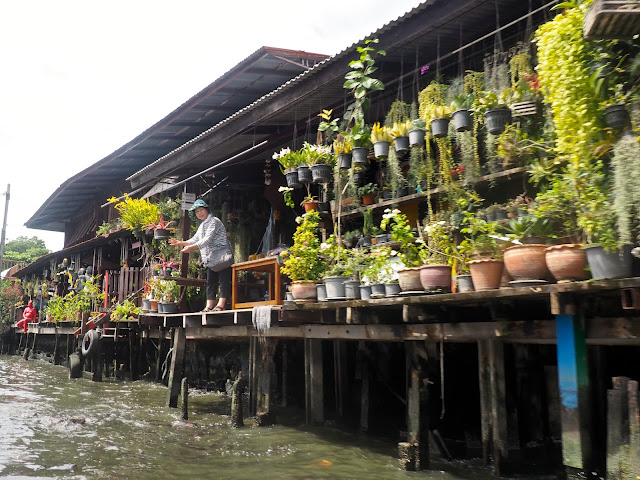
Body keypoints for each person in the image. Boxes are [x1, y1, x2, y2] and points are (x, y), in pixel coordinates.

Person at [169, 199, 232, 312]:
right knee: (211, 282)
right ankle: (209, 306)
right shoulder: (202, 225)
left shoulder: (214, 221)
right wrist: (180, 243)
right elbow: (195, 239)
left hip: (221, 256)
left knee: (223, 281)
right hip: (211, 258)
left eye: (201, 210)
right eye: (197, 212)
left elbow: (207, 239)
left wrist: (192, 248)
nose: (200, 213)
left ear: (206, 210)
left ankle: (221, 305)